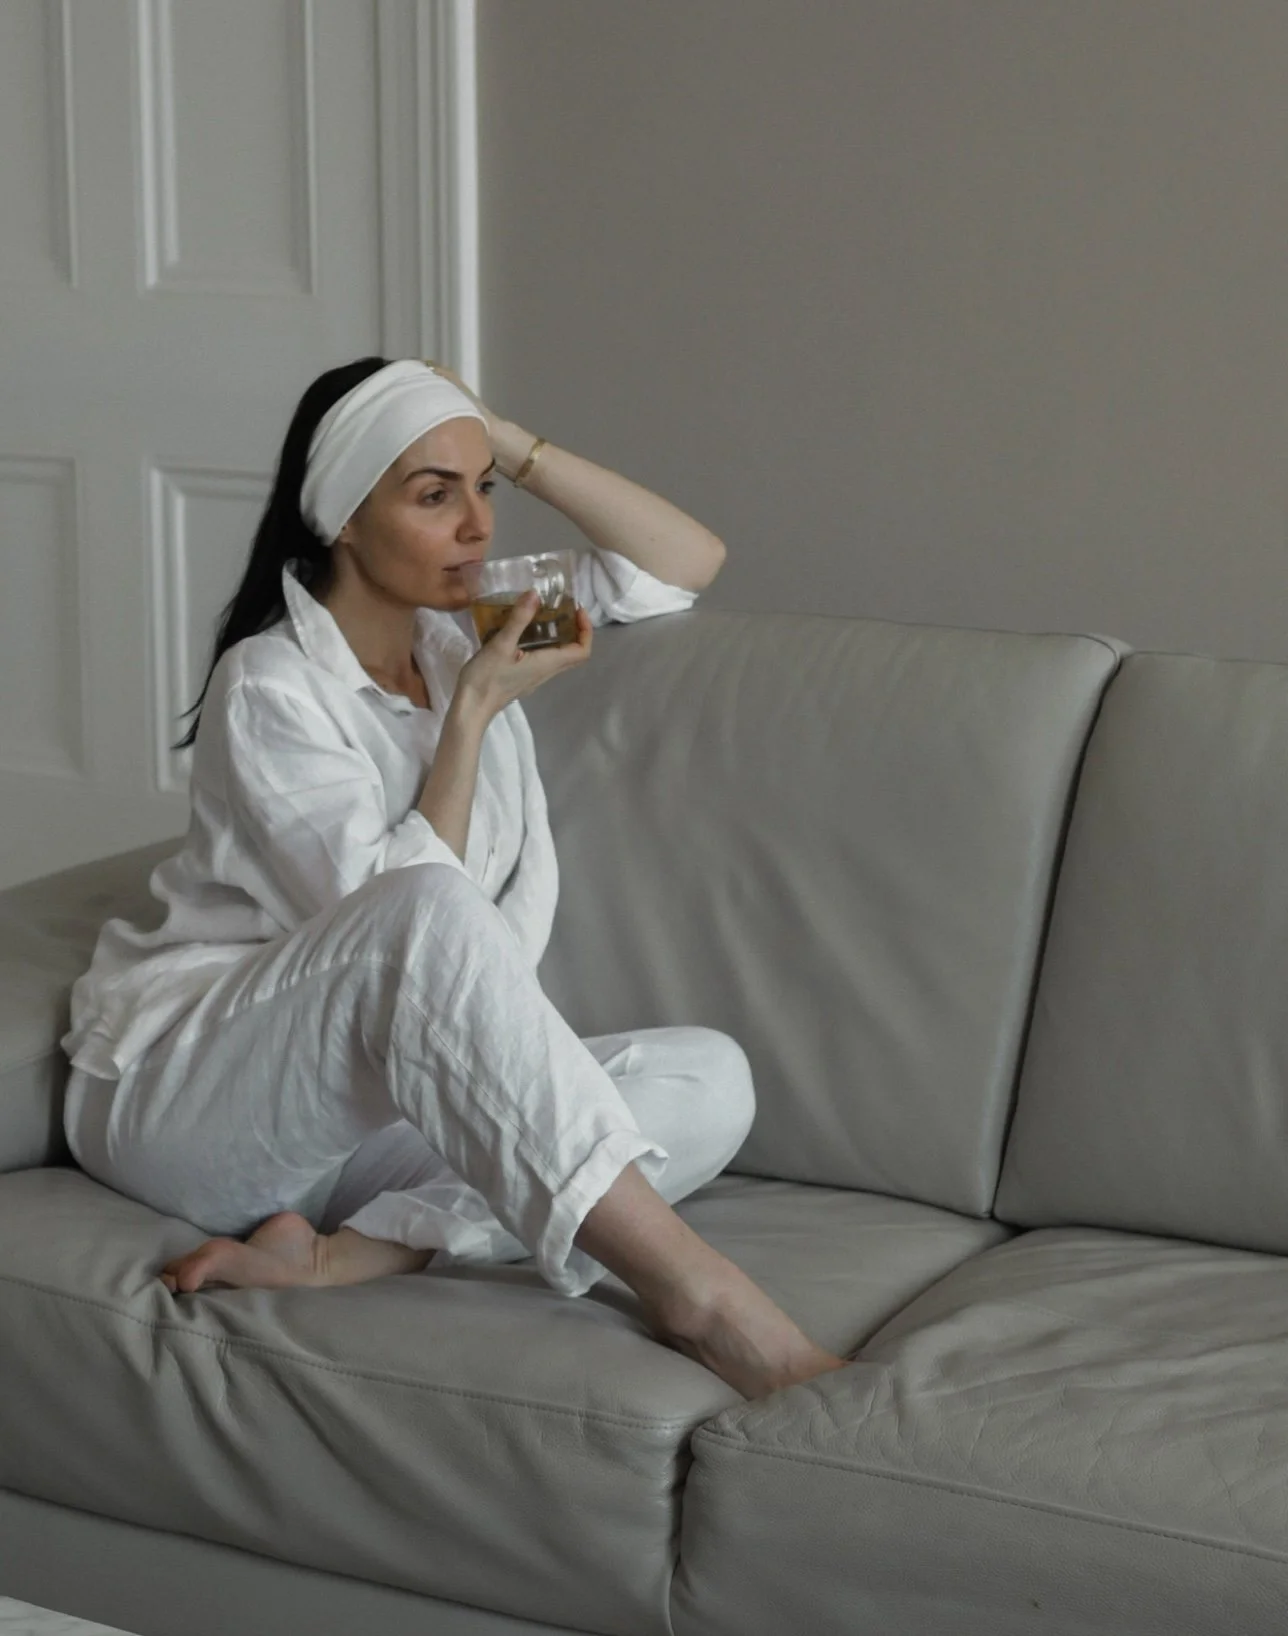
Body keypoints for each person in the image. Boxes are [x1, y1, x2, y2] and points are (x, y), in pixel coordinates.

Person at [59, 356, 846, 1400]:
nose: (477, 527)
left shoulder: (466, 625)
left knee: (709, 1078)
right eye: (433, 496)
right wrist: (472, 712)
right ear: (343, 517)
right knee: (425, 902)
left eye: (485, 490)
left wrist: (504, 438)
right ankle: (707, 1302)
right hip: (199, 1101)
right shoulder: (273, 686)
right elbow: (386, 922)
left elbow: (680, 563)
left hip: (367, 1124)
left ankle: (353, 1251)